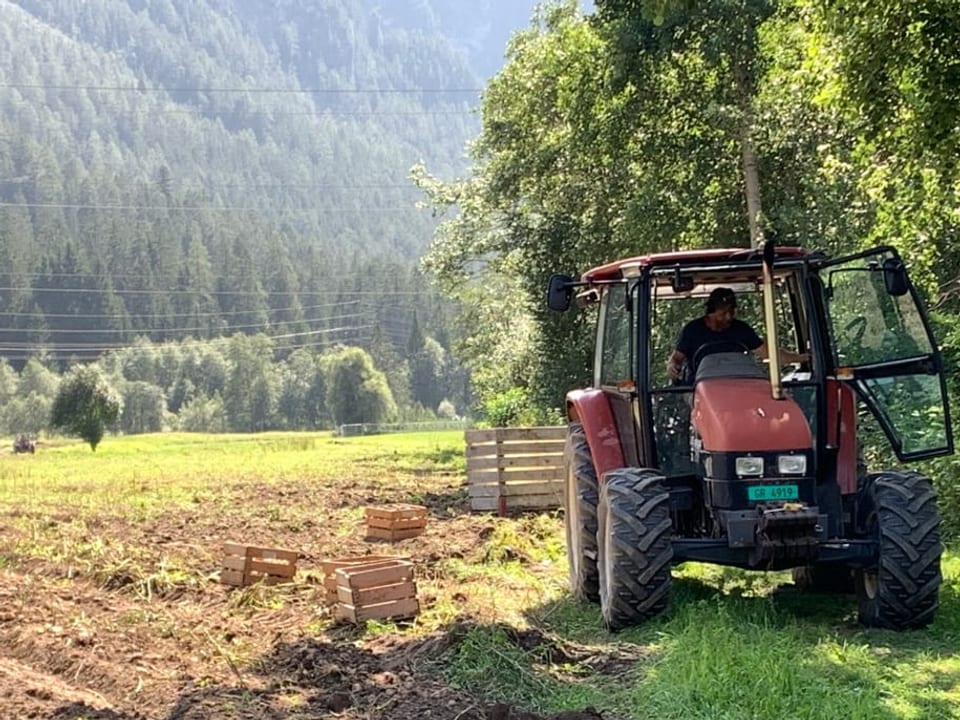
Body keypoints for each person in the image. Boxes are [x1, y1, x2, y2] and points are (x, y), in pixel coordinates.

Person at [666, 287, 810, 384]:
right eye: (723, 313)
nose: (729, 317)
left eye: (732, 311)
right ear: (711, 312)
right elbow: (676, 359)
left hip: (740, 386)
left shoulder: (741, 329)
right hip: (699, 389)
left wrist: (801, 358)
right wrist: (673, 367)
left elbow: (768, 353)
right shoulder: (692, 330)